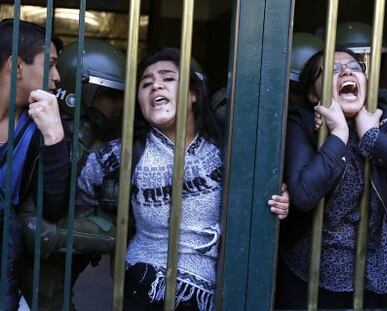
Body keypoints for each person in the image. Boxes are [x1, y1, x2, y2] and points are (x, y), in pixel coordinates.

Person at [76, 47, 289, 311]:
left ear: (193, 94)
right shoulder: (123, 154)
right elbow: (79, 196)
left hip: (212, 294)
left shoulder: (226, 153)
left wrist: (281, 199)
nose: (156, 86)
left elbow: (260, 201)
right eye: (146, 83)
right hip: (143, 287)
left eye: (167, 78)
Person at [275, 48, 387, 309]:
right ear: (313, 93)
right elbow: (304, 194)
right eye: (332, 69)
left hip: (375, 279)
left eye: (355, 67)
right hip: (309, 277)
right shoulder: (303, 122)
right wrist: (338, 134)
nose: (347, 71)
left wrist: (374, 140)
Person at [20, 38, 126, 310]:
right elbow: (32, 227)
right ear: (81, 92)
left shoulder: (100, 145)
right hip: (32, 276)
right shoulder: (49, 135)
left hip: (61, 275)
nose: (119, 106)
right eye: (110, 95)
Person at [0, 19, 70, 310]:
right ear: (17, 67)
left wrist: (54, 136)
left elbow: (53, 209)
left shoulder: (38, 126)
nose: (56, 77)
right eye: (50, 65)